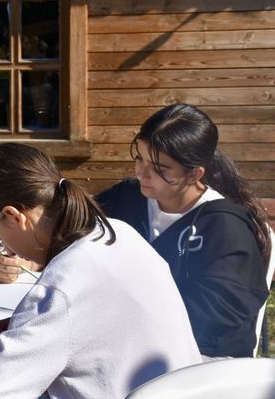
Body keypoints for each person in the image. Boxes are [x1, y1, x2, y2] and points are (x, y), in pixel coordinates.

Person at [0, 143, 200, 399]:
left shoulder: (63, 283)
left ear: (14, 217)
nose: (7, 250)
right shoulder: (119, 231)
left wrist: (14, 342)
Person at [96, 103, 272, 358]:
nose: (142, 173)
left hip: (203, 360)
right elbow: (71, 228)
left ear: (194, 174)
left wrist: (120, 312)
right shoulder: (127, 199)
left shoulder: (225, 227)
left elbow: (218, 315)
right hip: (129, 341)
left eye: (159, 168)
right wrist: (25, 259)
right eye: (140, 159)